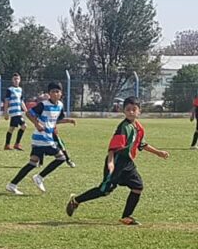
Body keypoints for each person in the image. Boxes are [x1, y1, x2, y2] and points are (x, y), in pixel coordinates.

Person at [65, 96, 169, 226]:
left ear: (139, 111)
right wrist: (110, 162)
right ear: (123, 111)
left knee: (138, 187)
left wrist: (158, 152)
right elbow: (113, 148)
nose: (131, 112)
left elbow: (141, 144)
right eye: (128, 109)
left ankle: (126, 217)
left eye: (134, 109)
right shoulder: (123, 127)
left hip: (128, 163)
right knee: (104, 190)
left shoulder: (138, 128)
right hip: (117, 161)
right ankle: (76, 201)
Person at [6, 82, 76, 195]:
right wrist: (36, 124)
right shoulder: (43, 104)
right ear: (49, 93)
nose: (55, 94)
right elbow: (29, 113)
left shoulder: (60, 106)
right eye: (52, 91)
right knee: (61, 158)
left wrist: (68, 121)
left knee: (32, 163)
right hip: (42, 138)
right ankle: (39, 177)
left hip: (44, 138)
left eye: (57, 91)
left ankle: (12, 184)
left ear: (61, 94)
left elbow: (54, 119)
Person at [3, 73, 28, 151]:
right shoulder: (10, 89)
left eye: (17, 79)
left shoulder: (20, 89)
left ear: (20, 80)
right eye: (15, 79)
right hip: (14, 112)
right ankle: (17, 144)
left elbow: (21, 101)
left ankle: (7, 145)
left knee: (11, 128)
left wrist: (26, 110)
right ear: (12, 80)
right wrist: (5, 112)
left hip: (19, 112)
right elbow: (6, 101)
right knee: (24, 126)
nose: (16, 80)